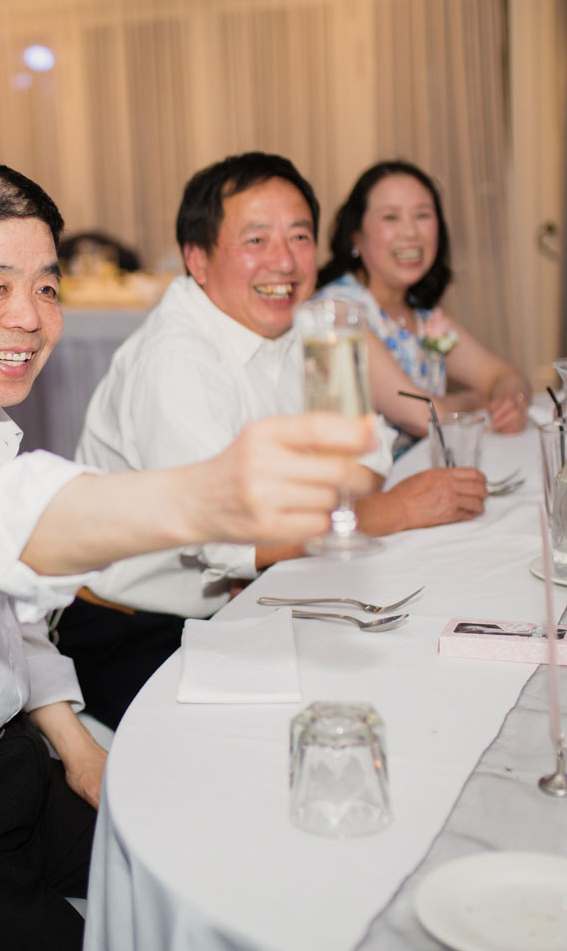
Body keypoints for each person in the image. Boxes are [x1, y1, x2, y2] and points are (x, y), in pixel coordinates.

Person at [0, 160, 378, 950]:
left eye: (45, 288)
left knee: (238, 846)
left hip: (5, 782)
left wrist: (79, 749)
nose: (30, 317)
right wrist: (204, 497)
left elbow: (8, 619)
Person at [58, 153, 489, 728]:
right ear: (198, 259)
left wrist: (352, 501)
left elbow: (362, 457)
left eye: (299, 236)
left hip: (242, 598)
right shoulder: (176, 361)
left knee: (417, 674)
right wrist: (396, 509)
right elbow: (235, 537)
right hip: (133, 631)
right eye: (255, 239)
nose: (284, 261)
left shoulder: (302, 326)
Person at [316, 159, 531, 437]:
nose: (411, 232)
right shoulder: (337, 312)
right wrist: (476, 400)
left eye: (422, 215)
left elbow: (505, 375)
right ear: (356, 237)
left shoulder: (421, 314)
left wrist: (510, 403)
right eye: (390, 217)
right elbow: (425, 417)